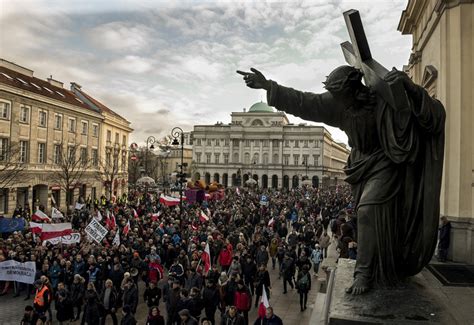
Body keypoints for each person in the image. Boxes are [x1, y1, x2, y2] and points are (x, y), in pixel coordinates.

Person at [237, 65, 445, 295]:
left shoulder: (382, 99)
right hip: (361, 164)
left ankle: (363, 273)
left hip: (386, 161)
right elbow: (304, 102)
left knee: (368, 210)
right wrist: (269, 86)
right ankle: (380, 263)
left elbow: (432, 115)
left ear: (354, 90)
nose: (335, 101)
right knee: (370, 213)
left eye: (340, 96)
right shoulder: (336, 103)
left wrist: (411, 88)